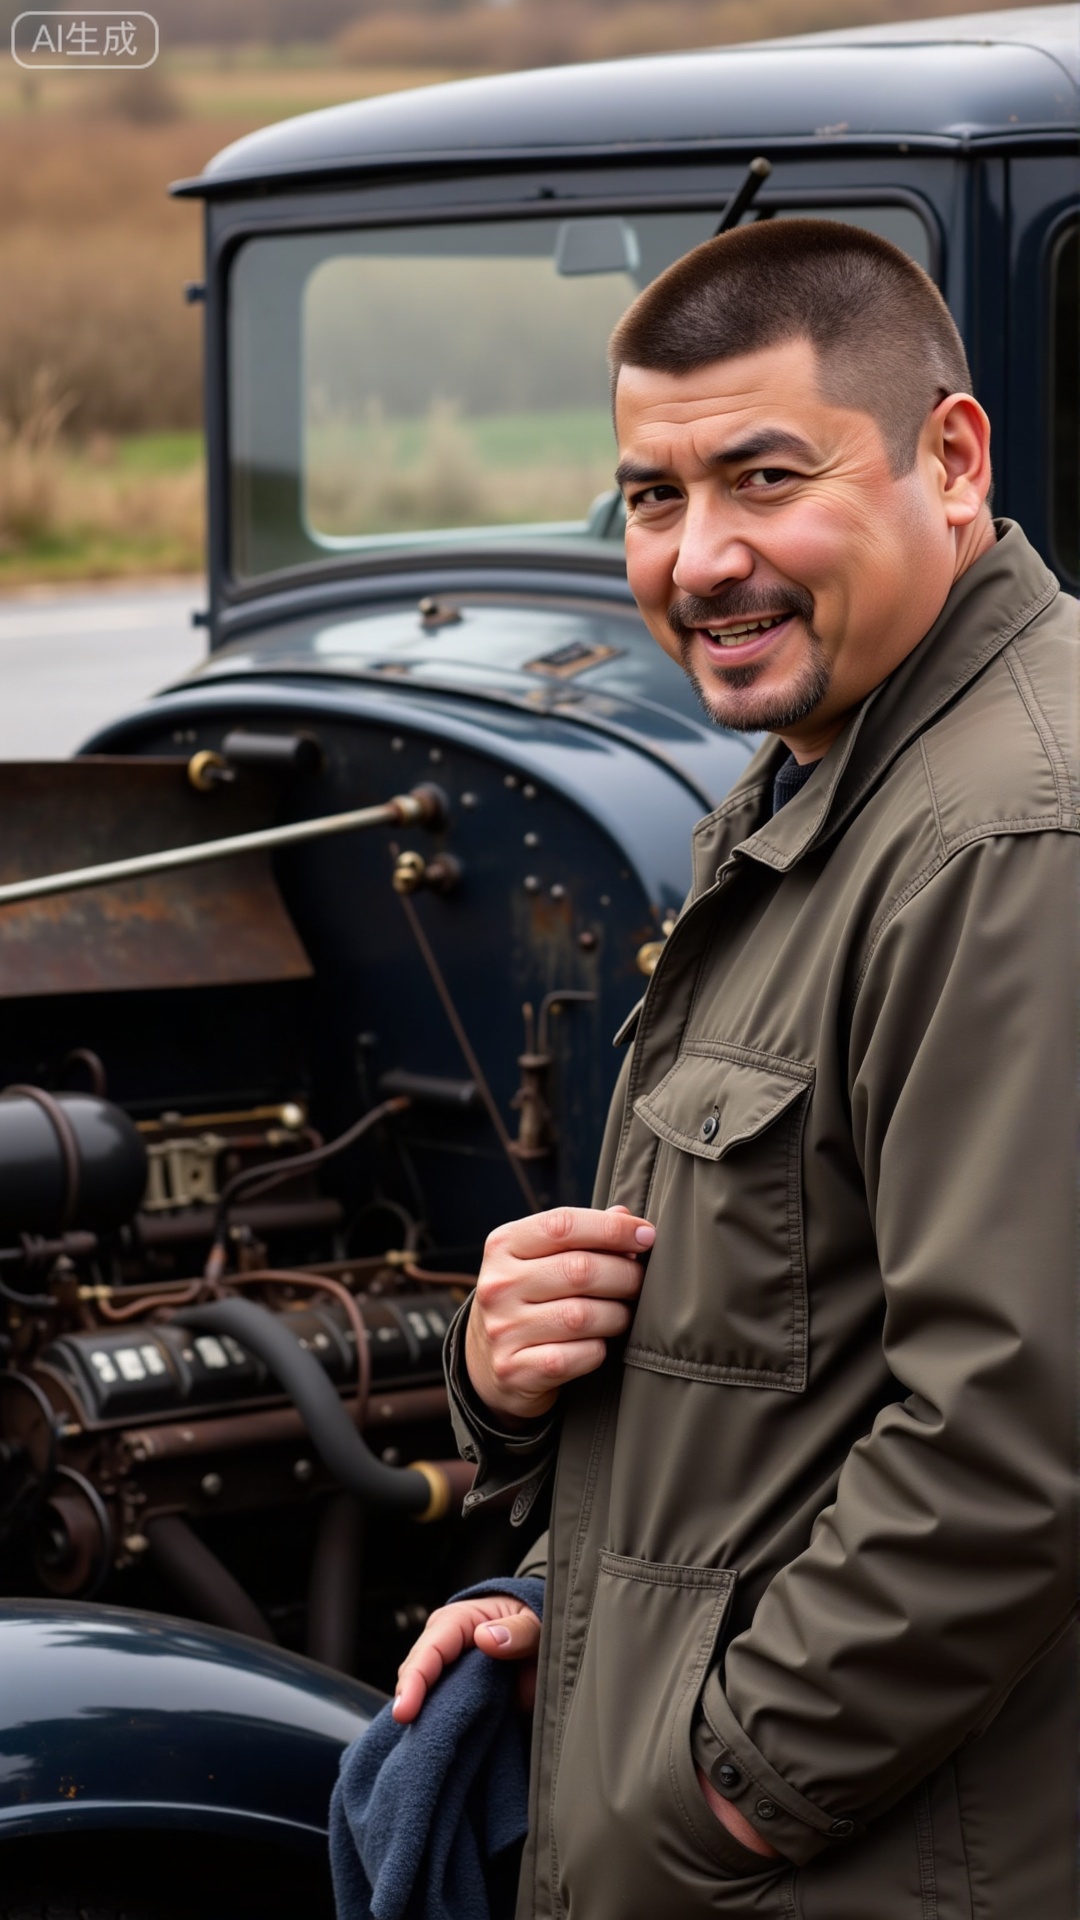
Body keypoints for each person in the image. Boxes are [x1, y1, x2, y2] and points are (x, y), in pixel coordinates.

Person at [392, 220, 1078, 1919]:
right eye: (650, 498)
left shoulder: (1008, 837)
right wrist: (535, 1467)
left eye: (766, 478)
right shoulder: (814, 785)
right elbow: (797, 1365)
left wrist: (709, 1797)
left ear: (953, 458)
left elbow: (1008, 1444)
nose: (700, 559)